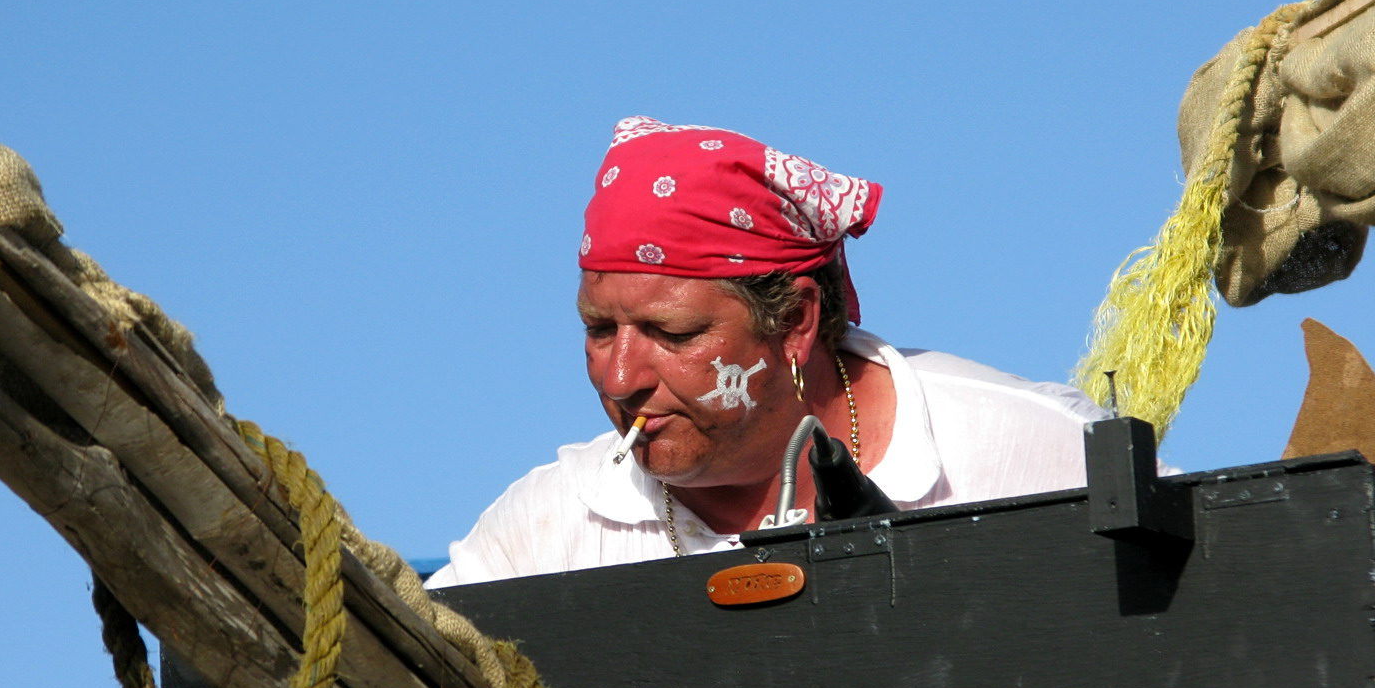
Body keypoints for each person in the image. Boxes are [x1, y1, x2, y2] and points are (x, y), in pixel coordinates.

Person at [426, 116, 1107, 588]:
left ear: (795, 323)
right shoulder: (539, 536)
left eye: (675, 334)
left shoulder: (1026, 453)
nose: (619, 375)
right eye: (598, 328)